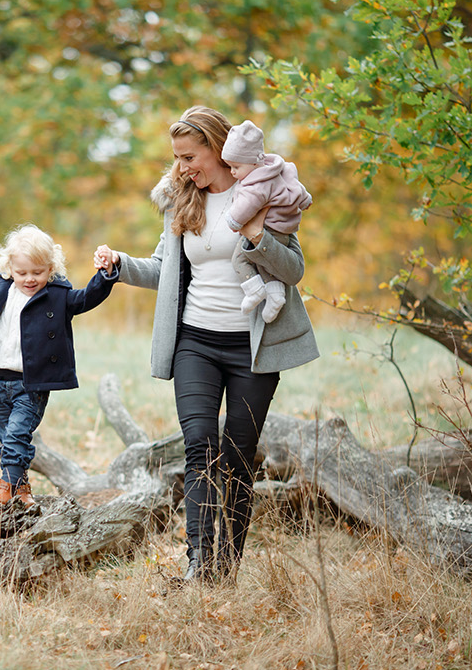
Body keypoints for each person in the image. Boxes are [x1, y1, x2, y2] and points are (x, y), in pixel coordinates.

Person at [93, 106, 318, 585]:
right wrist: (117, 264)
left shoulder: (261, 193)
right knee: (200, 448)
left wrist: (258, 236)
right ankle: (199, 564)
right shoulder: (183, 201)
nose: (182, 167)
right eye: (176, 158)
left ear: (217, 149)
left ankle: (226, 568)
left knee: (238, 458)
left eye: (189, 156)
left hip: (250, 350)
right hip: (195, 342)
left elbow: (294, 271)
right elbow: (162, 270)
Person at [0, 224, 117, 506]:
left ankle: (6, 488)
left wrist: (106, 274)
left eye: (37, 273)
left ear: (50, 269)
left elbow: (87, 297)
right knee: (10, 442)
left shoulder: (57, 297)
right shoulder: (0, 290)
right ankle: (22, 490)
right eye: (22, 272)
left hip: (31, 385)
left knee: (16, 436)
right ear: (9, 268)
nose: (29, 279)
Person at [221, 119, 312, 324]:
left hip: (271, 227)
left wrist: (233, 221)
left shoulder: (256, 184)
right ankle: (276, 294)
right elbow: (295, 185)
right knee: (264, 262)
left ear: (253, 163)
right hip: (283, 228)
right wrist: (305, 200)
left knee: (240, 259)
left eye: (236, 166)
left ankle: (254, 291)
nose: (232, 172)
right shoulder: (276, 168)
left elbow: (245, 208)